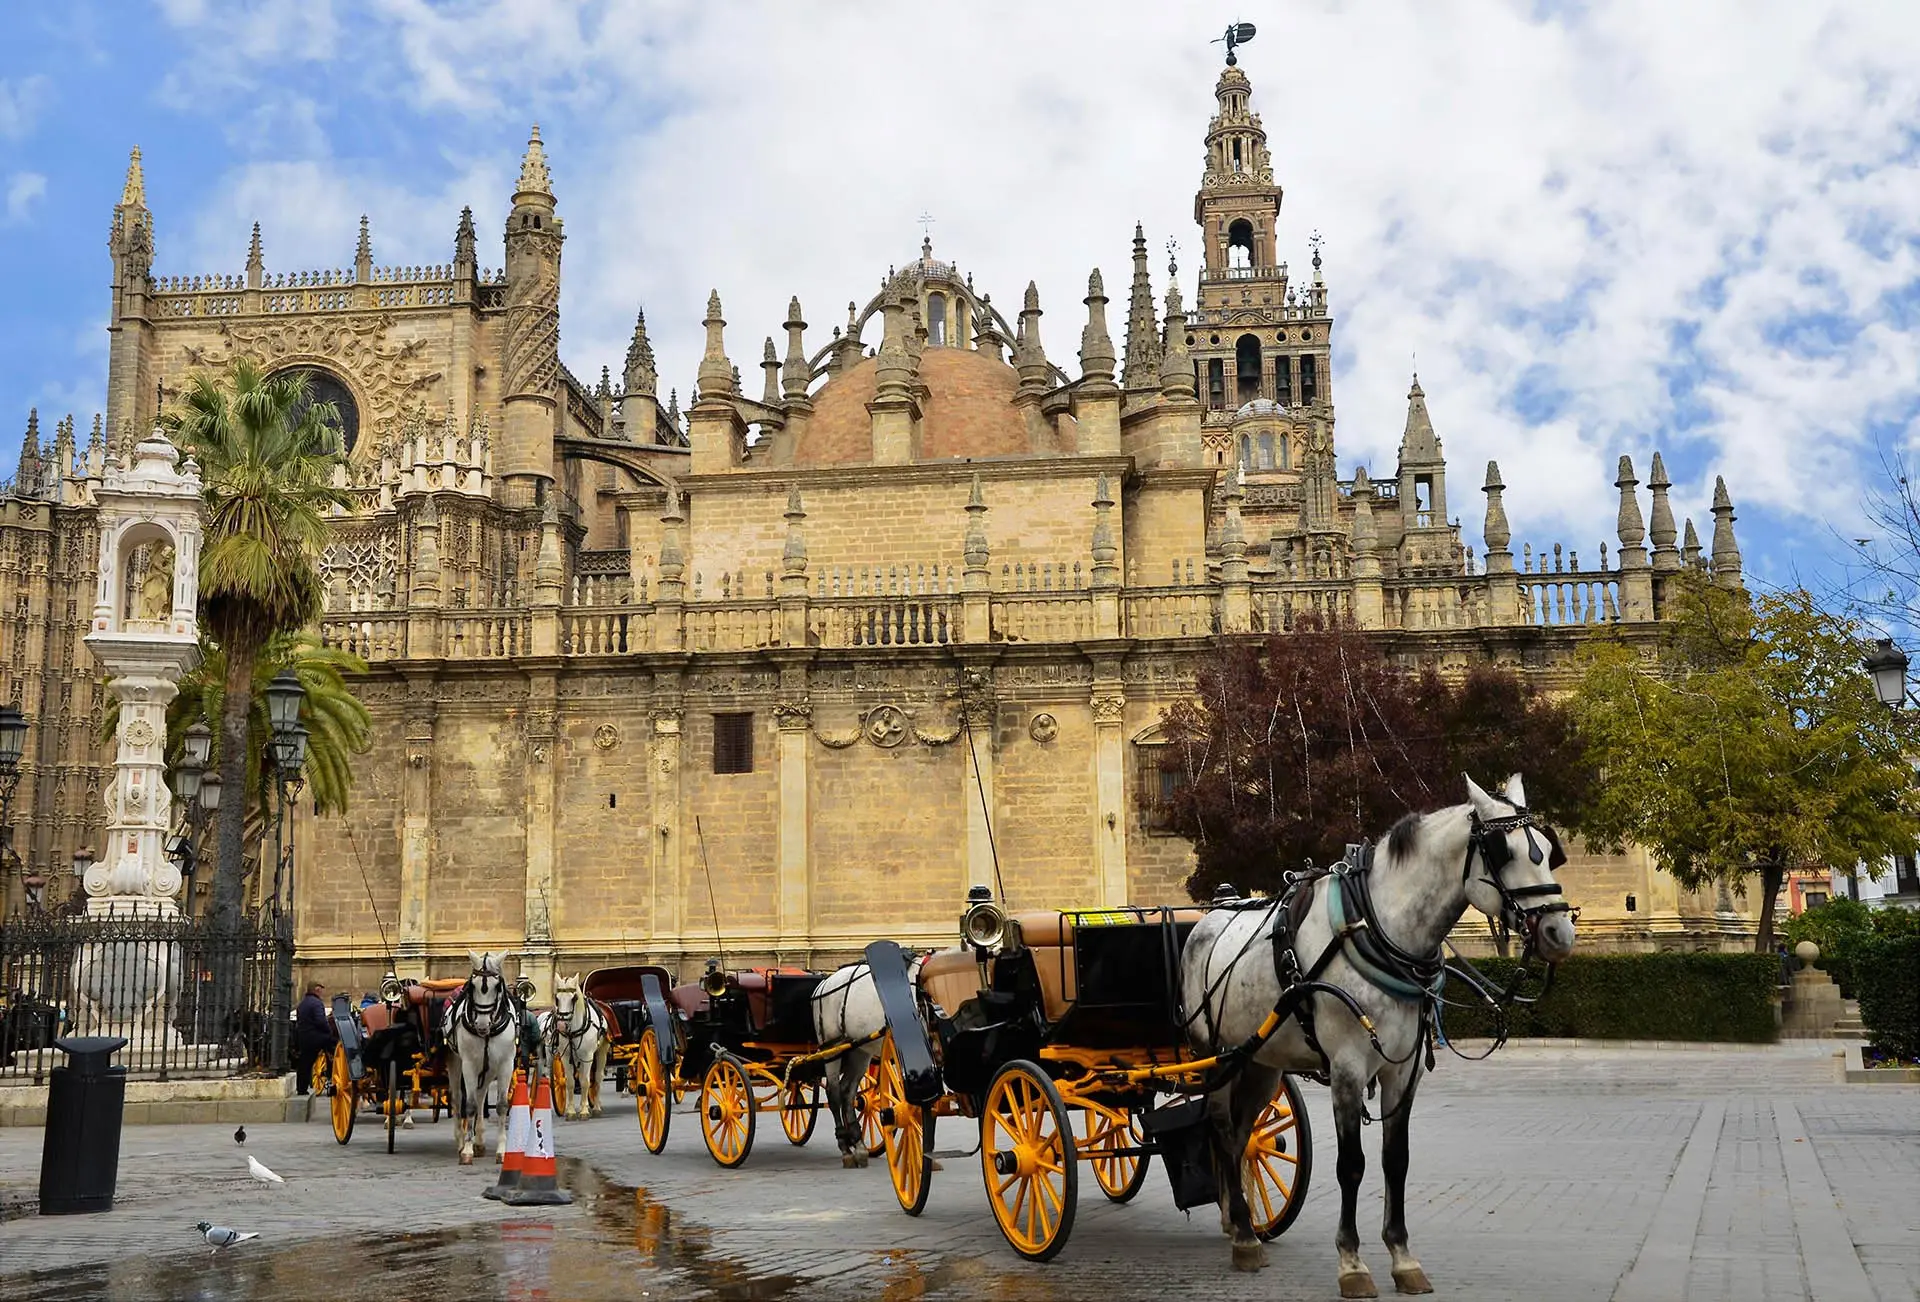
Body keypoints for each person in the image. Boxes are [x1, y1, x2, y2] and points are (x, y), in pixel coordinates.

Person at [292, 981, 336, 1095]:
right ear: (316, 989)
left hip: (303, 1038)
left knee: (305, 1064)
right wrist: (329, 1031)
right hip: (316, 1037)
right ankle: (333, 1073)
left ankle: (301, 1088)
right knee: (335, 1046)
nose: (322, 992)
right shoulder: (316, 1003)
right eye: (321, 989)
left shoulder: (302, 1004)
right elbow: (321, 1021)